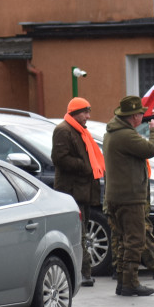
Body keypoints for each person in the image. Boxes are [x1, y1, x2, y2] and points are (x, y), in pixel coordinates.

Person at [103, 95, 154, 297]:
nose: (143, 117)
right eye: (141, 114)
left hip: (116, 196)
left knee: (124, 240)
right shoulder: (125, 135)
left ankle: (123, 282)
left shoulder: (112, 133)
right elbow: (150, 149)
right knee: (135, 241)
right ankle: (130, 282)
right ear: (133, 116)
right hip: (129, 197)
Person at [51, 97, 104, 286]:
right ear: (75, 113)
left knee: (83, 232)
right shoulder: (63, 131)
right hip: (72, 192)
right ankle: (84, 273)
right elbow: (59, 158)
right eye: (85, 112)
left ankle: (84, 272)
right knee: (78, 233)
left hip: (83, 190)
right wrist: (86, 166)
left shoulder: (80, 131)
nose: (88, 116)